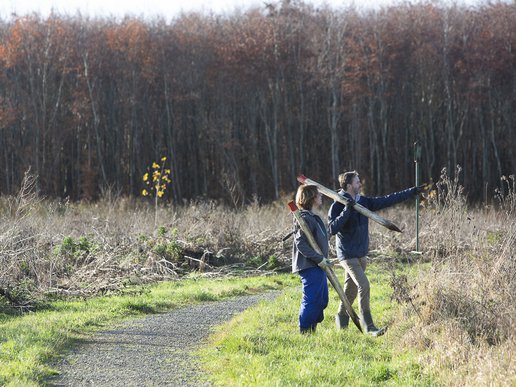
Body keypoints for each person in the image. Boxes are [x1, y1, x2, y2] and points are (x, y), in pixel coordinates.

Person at [328, 170, 421, 336]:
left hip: (362, 253)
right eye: (357, 182)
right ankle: (369, 326)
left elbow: (387, 200)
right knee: (364, 285)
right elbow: (332, 228)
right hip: (347, 255)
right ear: (349, 185)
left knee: (351, 291)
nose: (360, 184)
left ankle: (341, 322)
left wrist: (411, 192)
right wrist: (347, 210)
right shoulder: (337, 204)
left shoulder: (363, 201)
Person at [292, 184, 332, 334]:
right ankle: (304, 330)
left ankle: (312, 328)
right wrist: (318, 259)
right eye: (318, 195)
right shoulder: (303, 218)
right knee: (312, 299)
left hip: (319, 264)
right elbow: (301, 243)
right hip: (309, 265)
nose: (321, 197)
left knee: (322, 300)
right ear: (311, 198)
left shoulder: (313, 217)